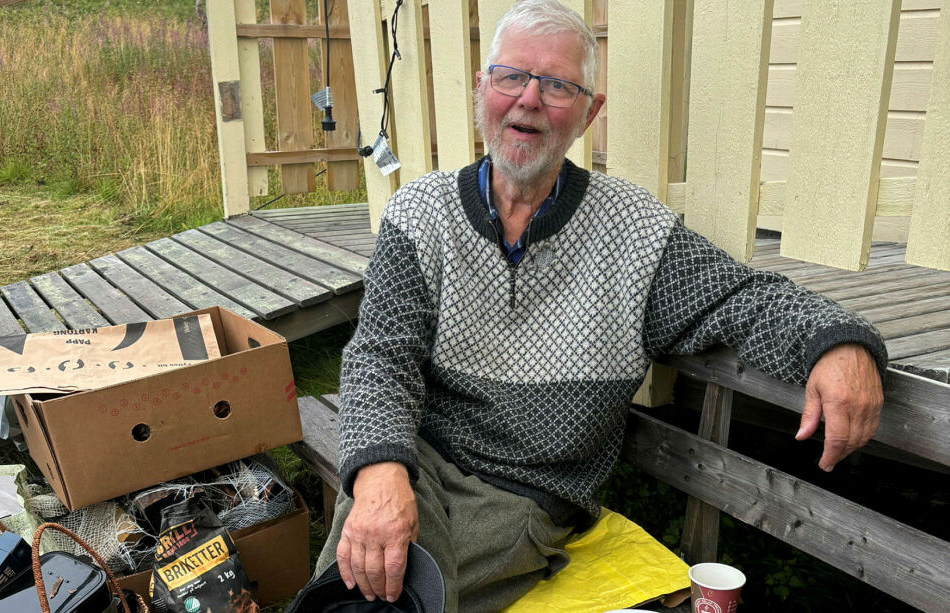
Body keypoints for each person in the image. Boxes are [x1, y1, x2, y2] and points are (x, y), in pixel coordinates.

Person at [313, 1, 887, 611]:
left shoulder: (634, 232)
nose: (529, 99)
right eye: (511, 76)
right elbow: (380, 355)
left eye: (558, 85)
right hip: (415, 457)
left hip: (525, 492)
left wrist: (838, 342)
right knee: (356, 578)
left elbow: (743, 297)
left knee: (390, 592)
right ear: (483, 89)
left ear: (590, 113)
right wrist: (379, 471)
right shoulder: (418, 214)